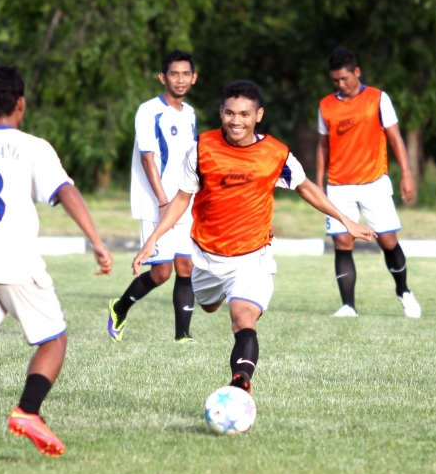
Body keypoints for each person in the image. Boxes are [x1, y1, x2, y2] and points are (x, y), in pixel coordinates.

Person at [132, 80, 375, 393]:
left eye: (245, 114)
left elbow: (305, 187)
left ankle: (240, 383)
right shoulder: (202, 149)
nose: (237, 121)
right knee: (208, 306)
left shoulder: (275, 154)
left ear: (258, 115)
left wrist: (345, 220)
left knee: (243, 317)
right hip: (206, 256)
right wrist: (153, 239)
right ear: (221, 112)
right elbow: (181, 199)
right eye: (230, 113)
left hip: (253, 256)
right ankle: (217, 301)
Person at [0, 65, 113, 466]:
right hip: (16, 263)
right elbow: (65, 191)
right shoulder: (33, 147)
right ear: (21, 104)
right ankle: (28, 410)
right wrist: (96, 241)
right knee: (54, 339)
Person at [316, 46, 422, 318]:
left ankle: (404, 292)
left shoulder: (378, 98)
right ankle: (348, 306)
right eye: (335, 80)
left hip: (374, 182)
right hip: (338, 186)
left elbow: (395, 138)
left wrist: (407, 175)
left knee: (387, 241)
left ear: (357, 72)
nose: (341, 84)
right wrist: (318, 184)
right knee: (342, 243)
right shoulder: (326, 105)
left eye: (345, 79)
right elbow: (323, 146)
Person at [108, 48, 198, 344]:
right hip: (156, 202)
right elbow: (148, 158)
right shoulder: (149, 111)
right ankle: (119, 308)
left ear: (194, 78)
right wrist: (162, 200)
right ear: (163, 77)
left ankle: (182, 336)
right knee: (161, 272)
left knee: (186, 265)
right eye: (174, 74)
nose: (180, 79)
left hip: (185, 200)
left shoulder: (192, 114)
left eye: (186, 74)